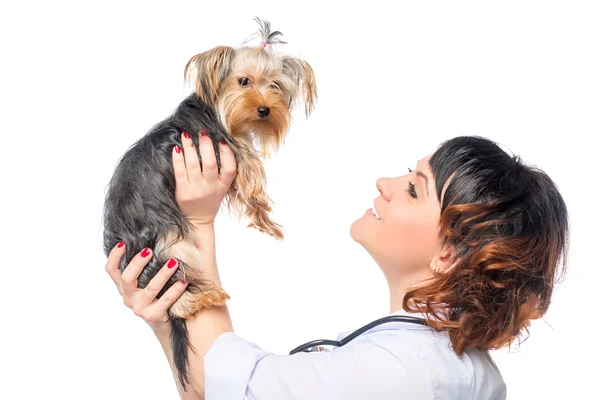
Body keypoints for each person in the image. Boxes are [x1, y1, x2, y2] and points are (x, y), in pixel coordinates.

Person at [105, 132, 569, 399]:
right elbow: (218, 389)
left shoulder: (402, 371)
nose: (386, 182)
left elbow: (234, 384)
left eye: (414, 189)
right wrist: (166, 318)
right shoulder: (438, 360)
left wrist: (194, 224)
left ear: (448, 254)